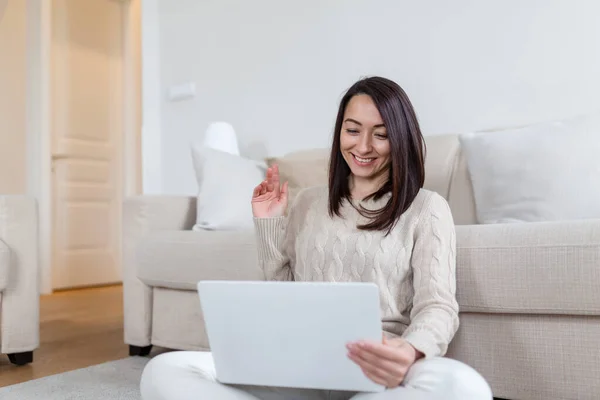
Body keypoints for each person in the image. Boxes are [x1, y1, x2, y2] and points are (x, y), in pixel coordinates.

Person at [139, 76, 493, 400]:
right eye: (353, 130)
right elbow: (283, 294)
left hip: (377, 370)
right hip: (301, 362)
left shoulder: (427, 208)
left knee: (466, 387)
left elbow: (438, 307)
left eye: (381, 134)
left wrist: (409, 350)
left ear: (400, 139)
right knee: (163, 370)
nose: (364, 146)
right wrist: (268, 225)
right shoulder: (308, 201)